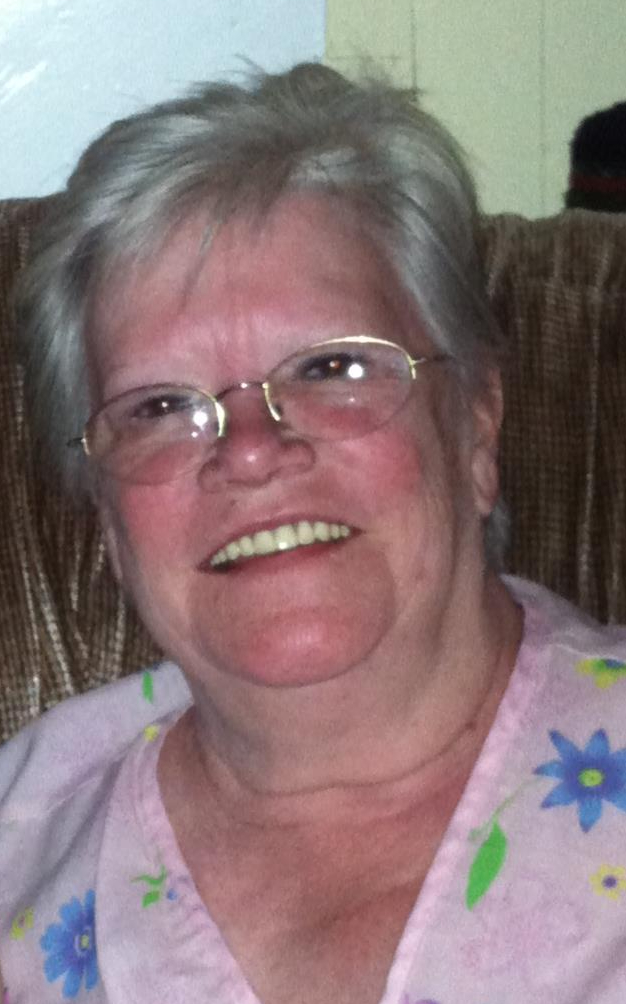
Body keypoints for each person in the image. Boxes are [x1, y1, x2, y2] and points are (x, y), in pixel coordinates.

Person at [1, 62, 626, 1004]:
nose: (251, 450)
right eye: (161, 405)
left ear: (476, 426)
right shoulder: (22, 841)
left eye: (331, 366)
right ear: (105, 511)